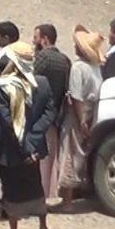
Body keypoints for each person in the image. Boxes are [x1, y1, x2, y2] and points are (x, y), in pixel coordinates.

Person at [0, 41, 58, 229]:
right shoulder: (42, 83)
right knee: (35, 185)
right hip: (34, 149)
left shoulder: (5, 87)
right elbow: (49, 113)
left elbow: (8, 122)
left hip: (12, 148)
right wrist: (33, 141)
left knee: (11, 188)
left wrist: (24, 144)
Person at [57, 27, 103, 211]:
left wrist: (81, 119)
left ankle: (67, 201)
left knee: (69, 152)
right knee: (81, 152)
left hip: (79, 113)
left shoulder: (78, 68)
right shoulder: (96, 68)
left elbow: (76, 96)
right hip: (93, 111)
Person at [32, 24, 70, 201]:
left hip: (39, 114)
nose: (34, 42)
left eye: (36, 38)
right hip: (56, 114)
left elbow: (31, 80)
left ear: (45, 39)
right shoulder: (64, 60)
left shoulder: (43, 57)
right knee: (50, 158)